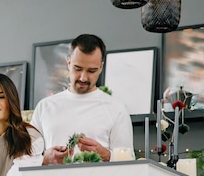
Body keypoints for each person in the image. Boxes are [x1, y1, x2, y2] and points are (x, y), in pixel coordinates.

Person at [30, 34, 134, 164]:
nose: (83, 78)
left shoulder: (116, 109)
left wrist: (106, 155)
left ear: (101, 67)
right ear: (68, 63)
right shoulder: (45, 107)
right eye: (77, 69)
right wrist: (44, 159)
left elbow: (130, 164)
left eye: (91, 71)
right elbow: (25, 158)